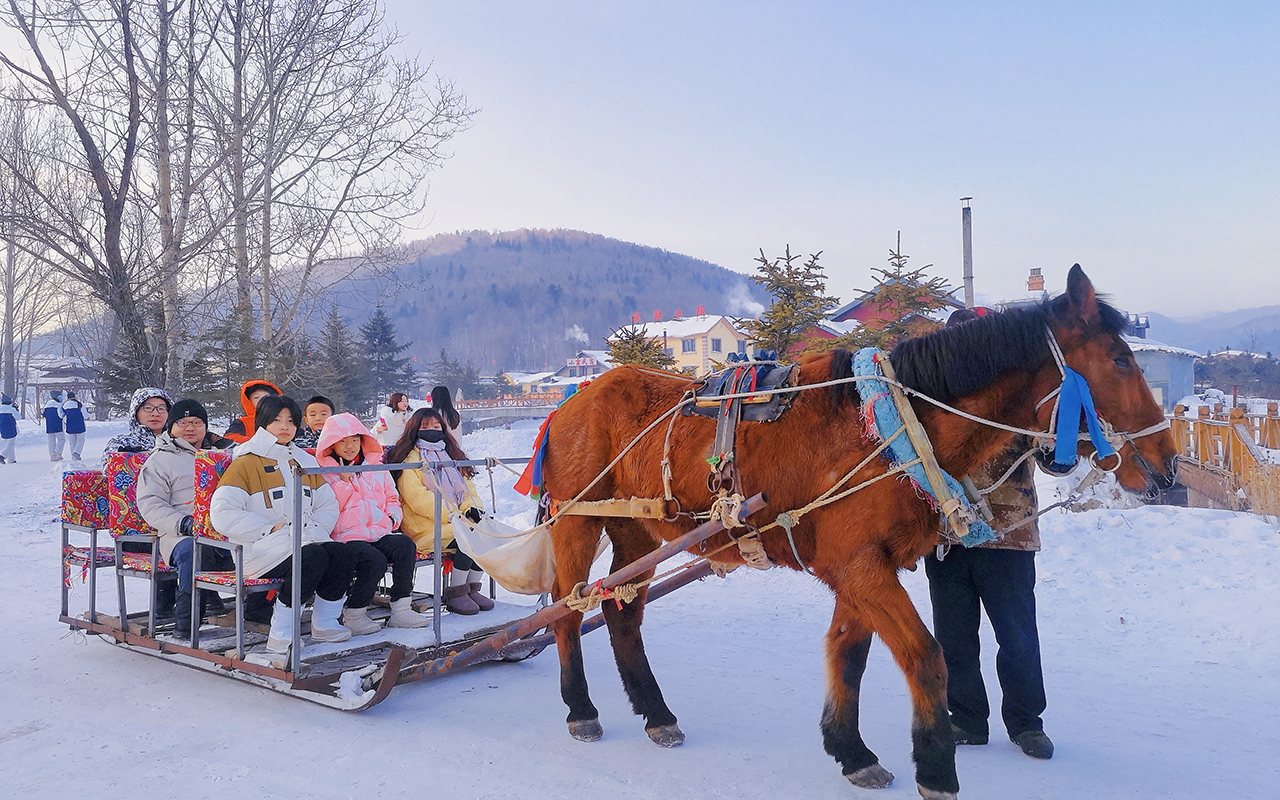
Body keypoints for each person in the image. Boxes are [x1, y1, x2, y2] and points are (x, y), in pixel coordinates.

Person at [924, 307, 1055, 761]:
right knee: (954, 637)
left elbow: (1051, 452)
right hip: (946, 539)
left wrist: (1062, 444)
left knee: (1017, 637)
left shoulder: (1014, 398)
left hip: (1009, 536)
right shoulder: (930, 401)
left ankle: (1026, 724)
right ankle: (966, 719)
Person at [209, 395, 352, 656]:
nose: (284, 426)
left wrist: (316, 530)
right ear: (263, 422)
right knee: (312, 558)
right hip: (258, 550)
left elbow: (328, 504)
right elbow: (222, 512)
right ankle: (281, 632)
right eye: (276, 420)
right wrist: (268, 529)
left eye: (290, 421)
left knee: (341, 553)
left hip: (303, 541)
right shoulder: (246, 462)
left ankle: (326, 622)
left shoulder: (304, 461)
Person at [316, 412, 429, 631]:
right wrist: (343, 481)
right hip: (346, 536)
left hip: (378, 531)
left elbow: (391, 496)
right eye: (343, 441)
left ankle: (401, 608)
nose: (350, 446)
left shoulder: (375, 466)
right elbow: (327, 506)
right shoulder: (324, 471)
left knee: (404, 545)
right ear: (331, 443)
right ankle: (355, 614)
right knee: (374, 560)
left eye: (355, 440)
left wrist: (392, 518)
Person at [135, 399, 236, 638]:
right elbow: (150, 503)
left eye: (196, 422)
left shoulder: (223, 455)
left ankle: (259, 613)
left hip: (227, 526)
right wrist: (183, 523)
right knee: (195, 552)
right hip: (181, 533)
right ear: (171, 426)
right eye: (182, 422)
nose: (190, 427)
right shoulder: (160, 459)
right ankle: (186, 625)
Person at [387, 408, 493, 615]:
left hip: (453, 520)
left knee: (485, 532)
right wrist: (454, 516)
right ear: (414, 429)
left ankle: (471, 588)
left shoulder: (449, 456)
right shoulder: (411, 459)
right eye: (425, 427)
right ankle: (456, 593)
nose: (432, 431)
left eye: (436, 427)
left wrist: (472, 510)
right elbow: (417, 499)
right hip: (423, 524)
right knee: (467, 536)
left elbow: (468, 489)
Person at [102, 388, 174, 457]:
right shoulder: (120, 444)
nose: (155, 413)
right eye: (148, 408)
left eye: (161, 408)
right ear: (135, 412)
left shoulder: (178, 443)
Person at [221, 380, 281, 444]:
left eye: (266, 397)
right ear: (248, 401)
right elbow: (230, 438)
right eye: (256, 397)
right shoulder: (243, 422)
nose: (262, 400)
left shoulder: (282, 419)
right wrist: (258, 442)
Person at [62, 390, 87, 461]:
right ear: (75, 397)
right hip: (79, 425)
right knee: (81, 440)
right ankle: (77, 453)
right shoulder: (79, 404)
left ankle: (73, 455)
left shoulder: (64, 405)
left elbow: (61, 415)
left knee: (72, 442)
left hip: (70, 425)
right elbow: (85, 415)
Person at [43, 390, 65, 461]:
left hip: (49, 426)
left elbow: (44, 415)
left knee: (51, 441)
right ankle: (57, 452)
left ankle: (52, 456)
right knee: (62, 439)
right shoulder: (58, 405)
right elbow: (61, 415)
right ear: (57, 397)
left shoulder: (47, 405)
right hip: (58, 425)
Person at [0, 393, 18, 464]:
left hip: (2, 429)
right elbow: (18, 417)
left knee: (8, 443)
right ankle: (2, 455)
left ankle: (11, 459)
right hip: (11, 428)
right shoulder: (11, 409)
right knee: (11, 444)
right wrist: (16, 410)